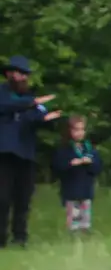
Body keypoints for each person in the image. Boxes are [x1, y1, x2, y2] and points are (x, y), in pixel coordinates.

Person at [1, 56, 60, 249]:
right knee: (2, 197)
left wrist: (47, 119)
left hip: (26, 153)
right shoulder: (4, 93)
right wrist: (31, 103)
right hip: (4, 152)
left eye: (25, 74)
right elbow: (5, 106)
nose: (22, 77)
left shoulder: (31, 98)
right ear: (9, 73)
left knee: (23, 197)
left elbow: (39, 117)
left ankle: (20, 237)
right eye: (19, 73)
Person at [52, 116, 101, 236]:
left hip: (86, 188)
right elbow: (58, 167)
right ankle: (73, 232)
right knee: (74, 214)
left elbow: (98, 168)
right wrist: (71, 164)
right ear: (69, 131)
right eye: (76, 130)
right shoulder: (64, 149)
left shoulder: (89, 148)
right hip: (71, 188)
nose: (80, 133)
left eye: (82, 129)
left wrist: (90, 162)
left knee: (85, 213)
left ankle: (85, 230)